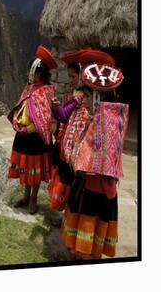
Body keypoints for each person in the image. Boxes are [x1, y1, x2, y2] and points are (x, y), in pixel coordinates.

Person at [60, 49, 128, 259]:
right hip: (87, 184)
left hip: (95, 189)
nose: (85, 102)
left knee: (89, 228)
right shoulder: (101, 117)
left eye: (88, 97)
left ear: (98, 97)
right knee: (82, 228)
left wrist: (76, 159)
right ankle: (79, 256)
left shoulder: (106, 121)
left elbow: (96, 158)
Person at [8, 45, 58, 214]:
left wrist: (29, 129)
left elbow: (43, 119)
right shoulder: (29, 87)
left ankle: (34, 200)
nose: (30, 74)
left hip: (35, 137)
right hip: (23, 135)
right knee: (27, 167)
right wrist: (16, 121)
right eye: (30, 70)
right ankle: (26, 196)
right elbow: (21, 105)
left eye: (33, 71)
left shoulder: (46, 91)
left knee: (35, 171)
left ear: (41, 72)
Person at [48, 50, 86, 215]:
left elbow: (64, 113)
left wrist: (58, 109)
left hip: (77, 143)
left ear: (82, 75)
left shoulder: (83, 96)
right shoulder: (71, 91)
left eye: (73, 76)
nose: (70, 80)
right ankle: (62, 212)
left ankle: (68, 215)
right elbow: (62, 116)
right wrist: (57, 109)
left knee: (70, 180)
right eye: (69, 76)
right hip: (65, 137)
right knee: (63, 176)